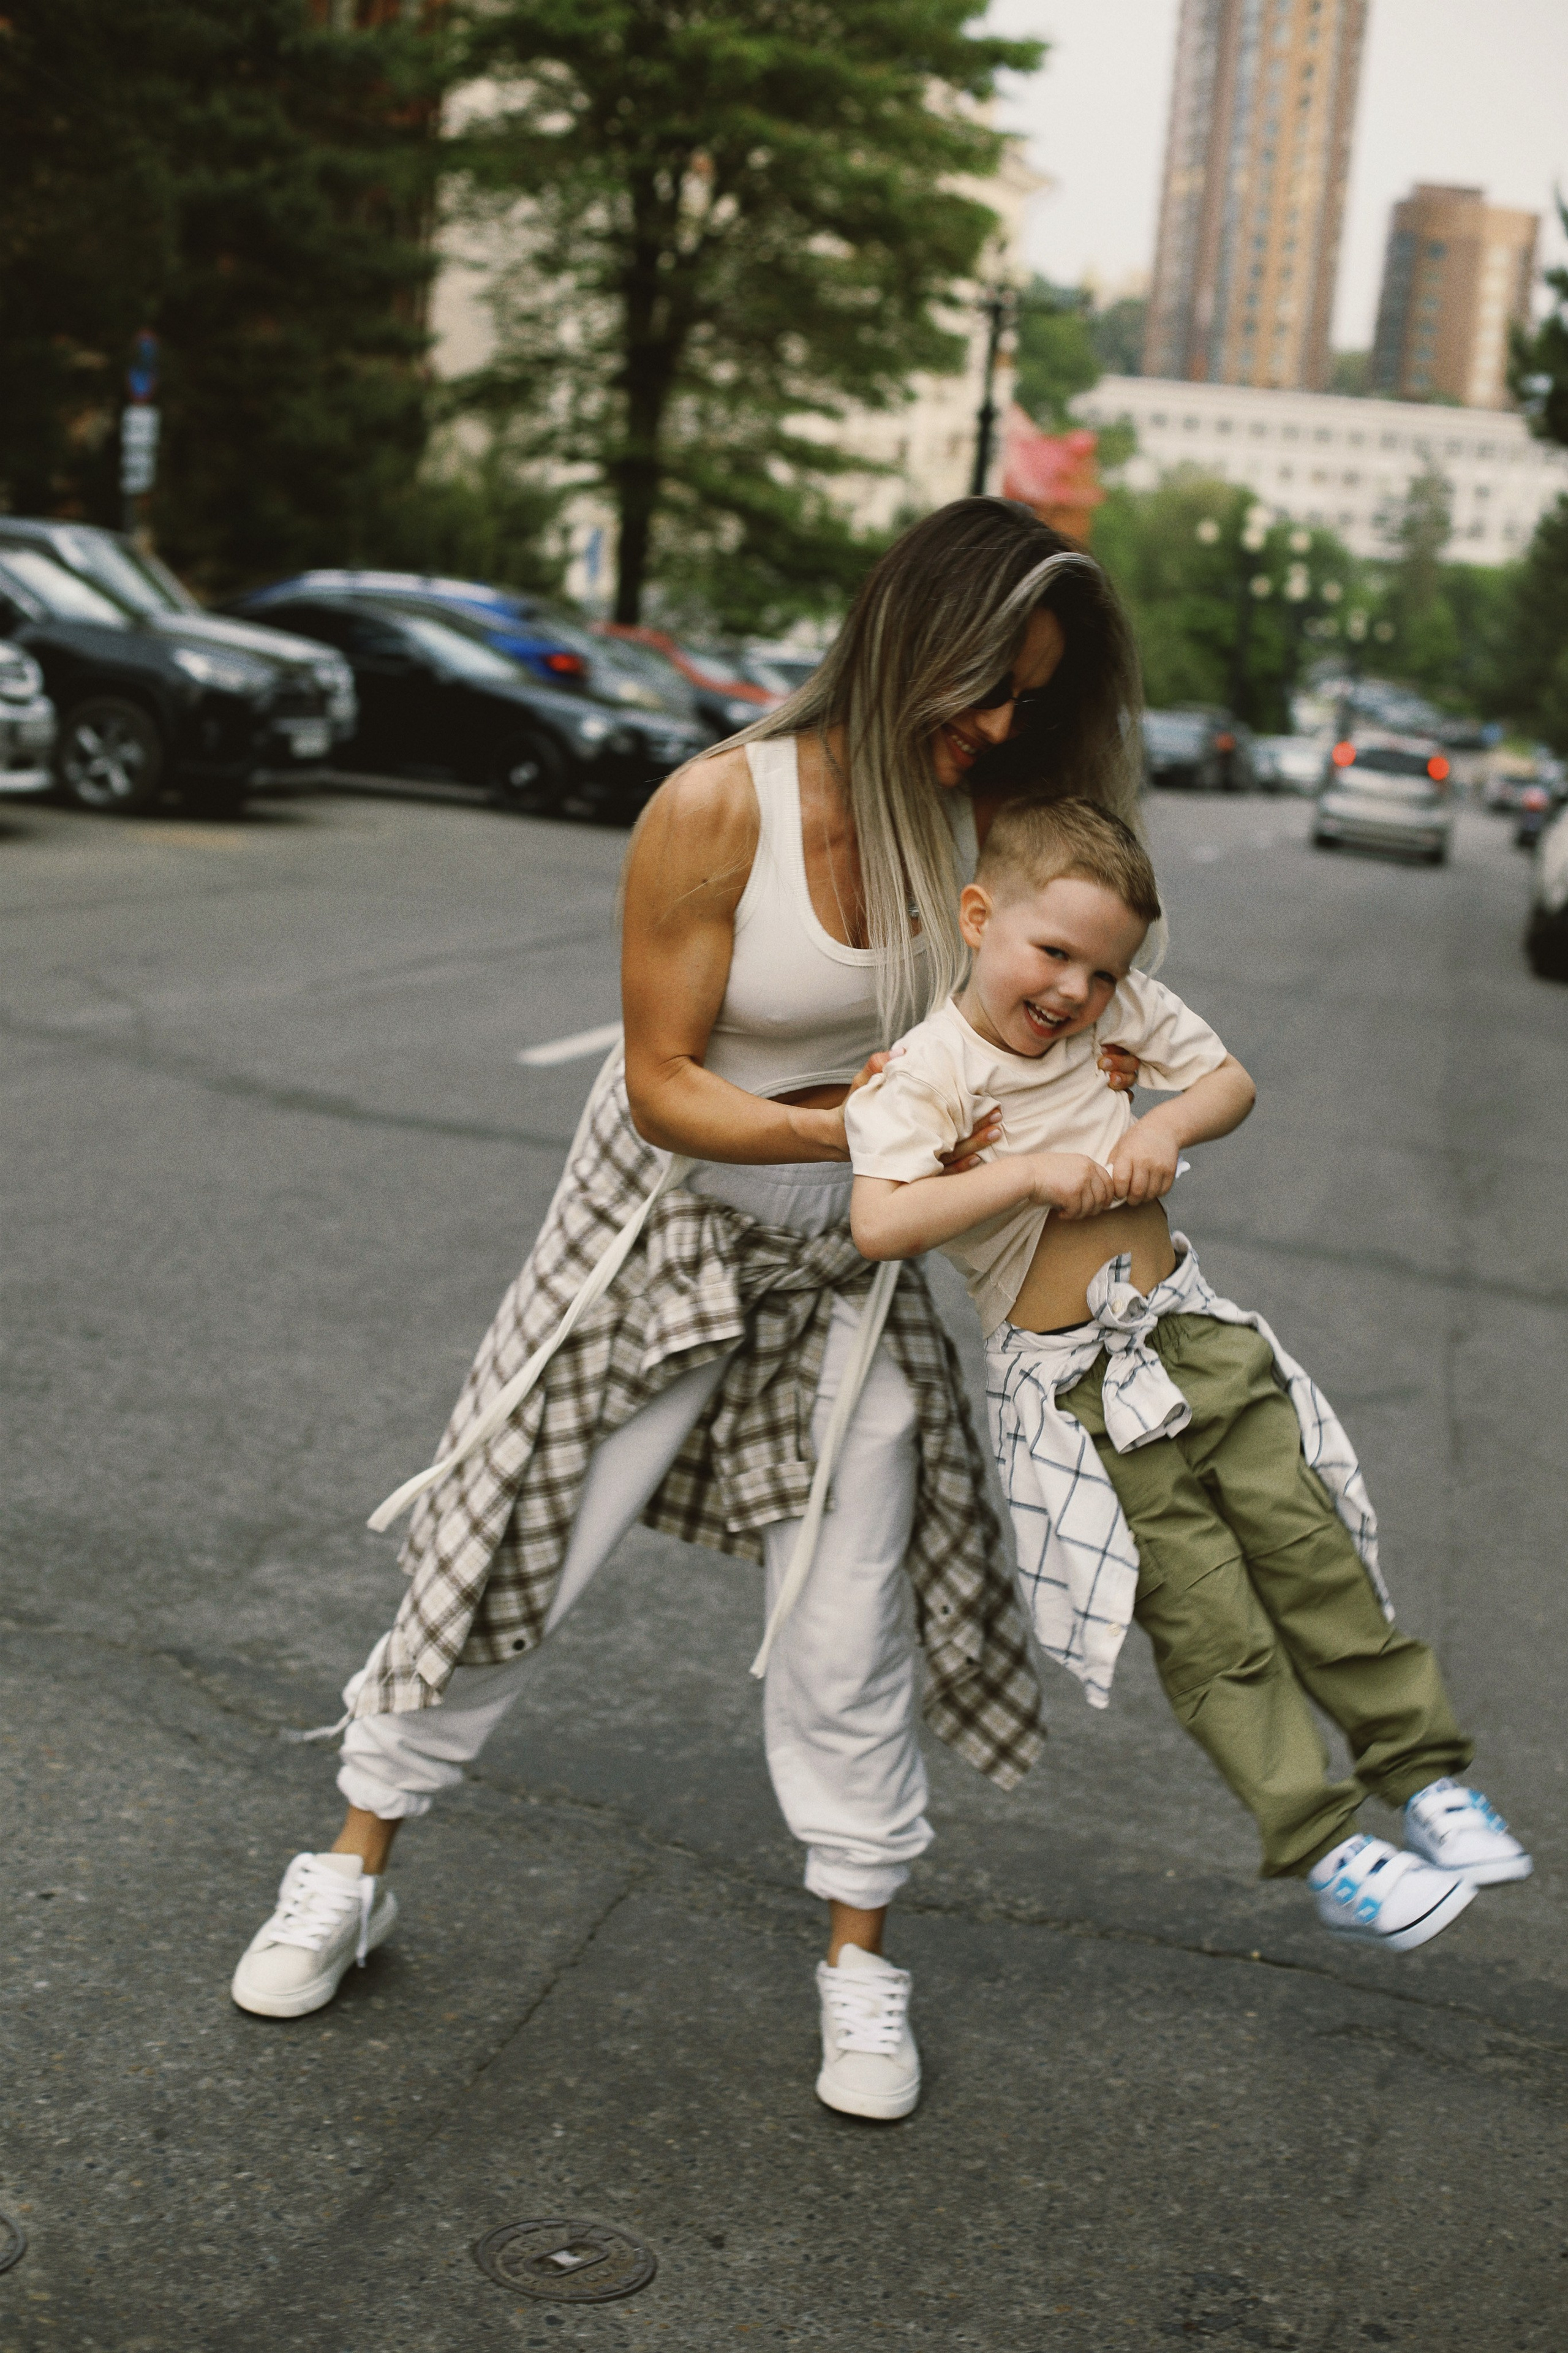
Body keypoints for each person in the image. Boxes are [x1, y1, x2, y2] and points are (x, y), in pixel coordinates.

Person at [230, 499, 1149, 2121]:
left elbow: (1067, 1026)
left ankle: (860, 1967)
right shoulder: (718, 809)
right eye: (985, 683)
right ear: (902, 644)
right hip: (658, 1238)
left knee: (852, 1624)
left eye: (1034, 695)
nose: (1002, 725)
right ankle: (351, 1865)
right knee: (511, 1538)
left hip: (847, 1281)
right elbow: (664, 1087)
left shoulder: (995, 831)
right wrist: (857, 1136)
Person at [845, 797, 1532, 1953]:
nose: (1075, 991)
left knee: (1314, 1556)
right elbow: (881, 1221)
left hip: (1193, 1334)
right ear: (978, 917)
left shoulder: (1112, 1021)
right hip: (1078, 1400)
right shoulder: (924, 1074)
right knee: (1210, 1619)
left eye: (1103, 971)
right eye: (1053, 952)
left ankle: (1421, 1774)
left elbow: (1227, 1082)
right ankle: (1325, 1843)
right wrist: (1022, 1178)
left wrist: (1165, 1131)